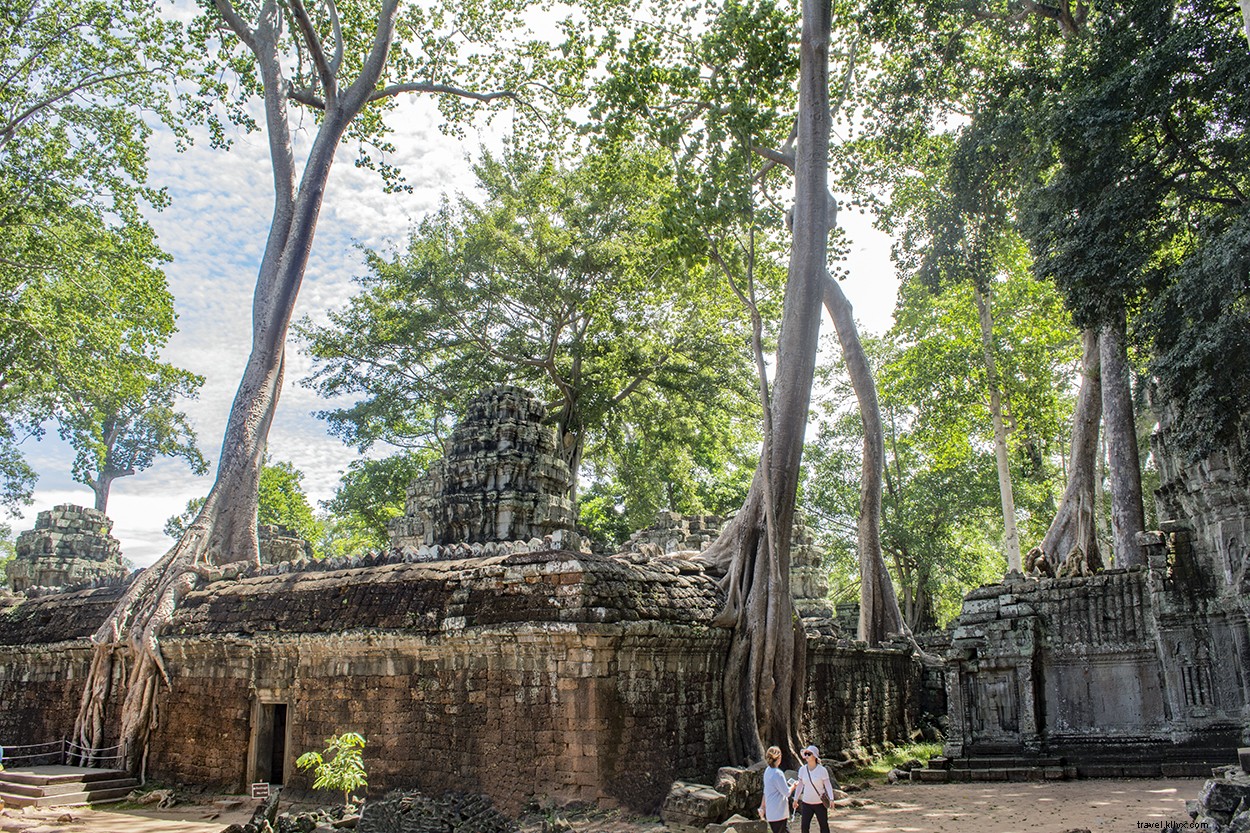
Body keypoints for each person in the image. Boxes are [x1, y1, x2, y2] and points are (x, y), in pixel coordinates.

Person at [793, 744, 837, 833]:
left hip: (820, 803)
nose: (807, 756)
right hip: (806, 803)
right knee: (804, 827)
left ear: (815, 756)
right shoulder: (802, 770)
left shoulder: (822, 770)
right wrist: (795, 799)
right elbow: (800, 785)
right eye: (806, 754)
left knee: (824, 826)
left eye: (809, 754)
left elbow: (827, 784)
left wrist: (831, 799)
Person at [758, 745, 791, 833]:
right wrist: (794, 786)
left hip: (771, 812)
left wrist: (762, 806)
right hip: (779, 813)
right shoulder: (778, 773)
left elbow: (766, 791)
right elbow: (787, 792)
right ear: (779, 758)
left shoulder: (767, 771)